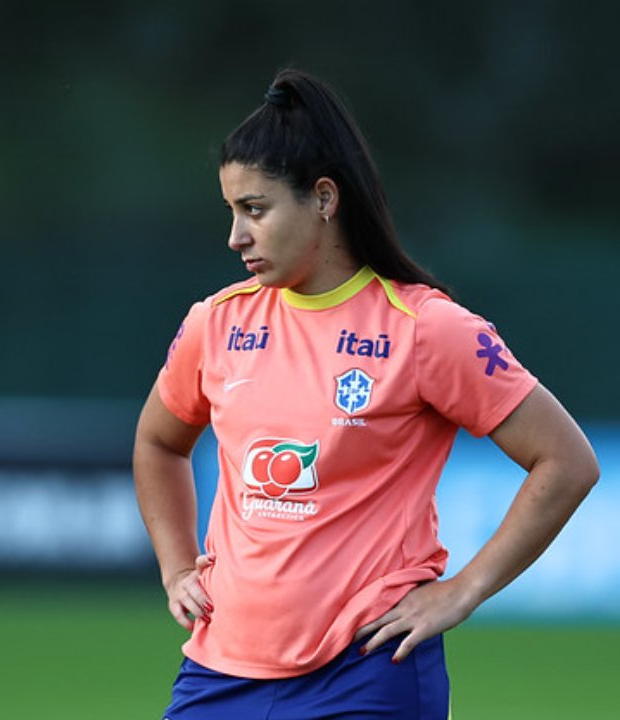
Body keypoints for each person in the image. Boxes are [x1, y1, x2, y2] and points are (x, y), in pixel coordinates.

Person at [132, 68, 598, 719]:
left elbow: (567, 461)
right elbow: (159, 441)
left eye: (255, 210)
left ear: (324, 198)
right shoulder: (216, 322)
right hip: (219, 673)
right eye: (231, 212)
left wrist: (463, 591)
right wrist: (176, 567)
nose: (235, 236)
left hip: (366, 676)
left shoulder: (427, 330)